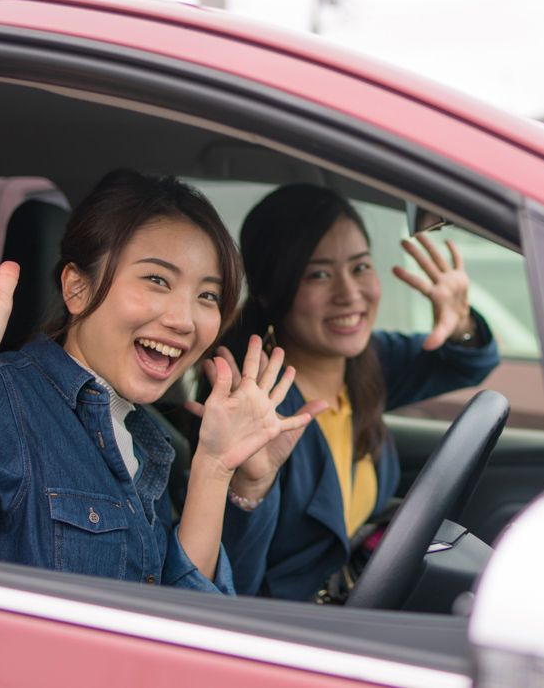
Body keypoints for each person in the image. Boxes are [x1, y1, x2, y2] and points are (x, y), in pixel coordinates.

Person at [0, 171, 311, 595]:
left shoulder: (140, 433)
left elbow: (193, 616)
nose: (184, 319)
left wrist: (218, 467)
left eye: (207, 295)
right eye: (157, 280)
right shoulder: (7, 398)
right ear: (77, 289)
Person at [193, 184, 499, 601]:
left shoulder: (365, 363)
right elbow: (230, 585)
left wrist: (460, 319)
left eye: (360, 267)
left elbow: (467, 362)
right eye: (318, 274)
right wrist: (249, 489)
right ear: (269, 290)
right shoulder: (250, 402)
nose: (350, 294)